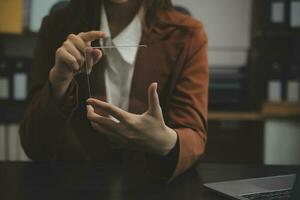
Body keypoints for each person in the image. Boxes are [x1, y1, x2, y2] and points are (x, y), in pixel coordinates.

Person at [20, 0, 208, 182]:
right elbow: (34, 145)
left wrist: (164, 141)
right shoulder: (56, 26)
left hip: (152, 187)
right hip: (74, 185)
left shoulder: (188, 35)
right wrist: (59, 81)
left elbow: (194, 141)